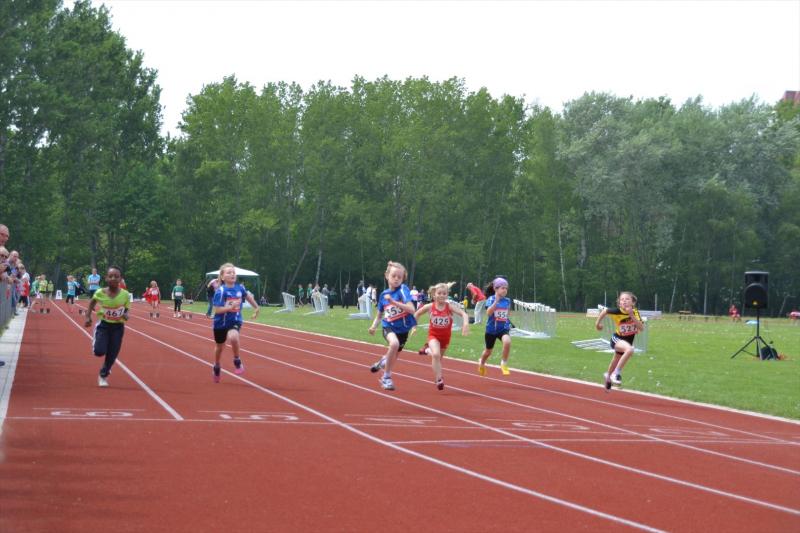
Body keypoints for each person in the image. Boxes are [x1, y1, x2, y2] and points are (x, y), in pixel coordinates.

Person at [368, 261, 417, 391]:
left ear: (403, 279)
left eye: (399, 277)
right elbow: (380, 314)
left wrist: (394, 302)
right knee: (394, 344)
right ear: (387, 276)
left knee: (393, 356)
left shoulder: (403, 290)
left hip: (403, 330)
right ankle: (386, 377)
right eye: (394, 276)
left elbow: (412, 309)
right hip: (388, 326)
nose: (396, 279)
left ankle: (383, 362)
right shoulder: (383, 295)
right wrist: (373, 326)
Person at [414, 282, 470, 390]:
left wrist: (466, 324)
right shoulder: (430, 306)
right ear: (434, 295)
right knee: (436, 354)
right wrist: (414, 327)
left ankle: (428, 351)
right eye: (439, 293)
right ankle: (439, 379)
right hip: (433, 335)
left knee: (438, 359)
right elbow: (417, 314)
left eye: (444, 293)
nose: (442, 295)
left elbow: (464, 314)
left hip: (445, 337)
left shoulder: (449, 307)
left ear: (447, 295)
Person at [211, 263, 260, 383]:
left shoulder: (240, 288)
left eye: (233, 272)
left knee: (233, 337)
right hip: (220, 323)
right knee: (219, 347)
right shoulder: (221, 291)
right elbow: (217, 310)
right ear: (222, 277)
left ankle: (237, 360)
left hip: (235, 320)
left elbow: (248, 297)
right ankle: (216, 365)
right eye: (229, 272)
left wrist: (256, 307)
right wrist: (230, 307)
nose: (232, 274)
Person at [83, 266, 130, 387]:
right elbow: (92, 303)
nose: (113, 278)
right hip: (104, 325)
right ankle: (98, 343)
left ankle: (103, 374)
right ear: (106, 278)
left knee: (112, 353)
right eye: (111, 276)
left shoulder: (125, 294)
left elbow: (126, 309)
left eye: (116, 276)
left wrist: (126, 314)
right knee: (99, 351)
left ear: (120, 279)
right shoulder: (100, 292)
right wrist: (88, 317)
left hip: (118, 327)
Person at [595, 291, 644, 390]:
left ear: (633, 302)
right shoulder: (617, 311)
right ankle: (616, 374)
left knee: (616, 359)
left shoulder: (635, 312)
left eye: (627, 299)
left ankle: (608, 376)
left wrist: (632, 315)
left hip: (627, 341)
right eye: (622, 299)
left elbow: (641, 328)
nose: (624, 301)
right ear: (619, 303)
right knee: (630, 349)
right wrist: (597, 324)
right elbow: (604, 311)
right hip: (617, 339)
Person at [477, 277, 513, 376]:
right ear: (495, 288)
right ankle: (482, 363)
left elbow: (507, 314)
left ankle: (504, 363)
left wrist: (508, 322)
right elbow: (489, 313)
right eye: (502, 288)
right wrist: (496, 302)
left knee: (507, 342)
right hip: (491, 330)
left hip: (502, 329)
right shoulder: (491, 299)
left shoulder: (507, 300)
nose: (505, 290)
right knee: (488, 351)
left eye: (506, 288)